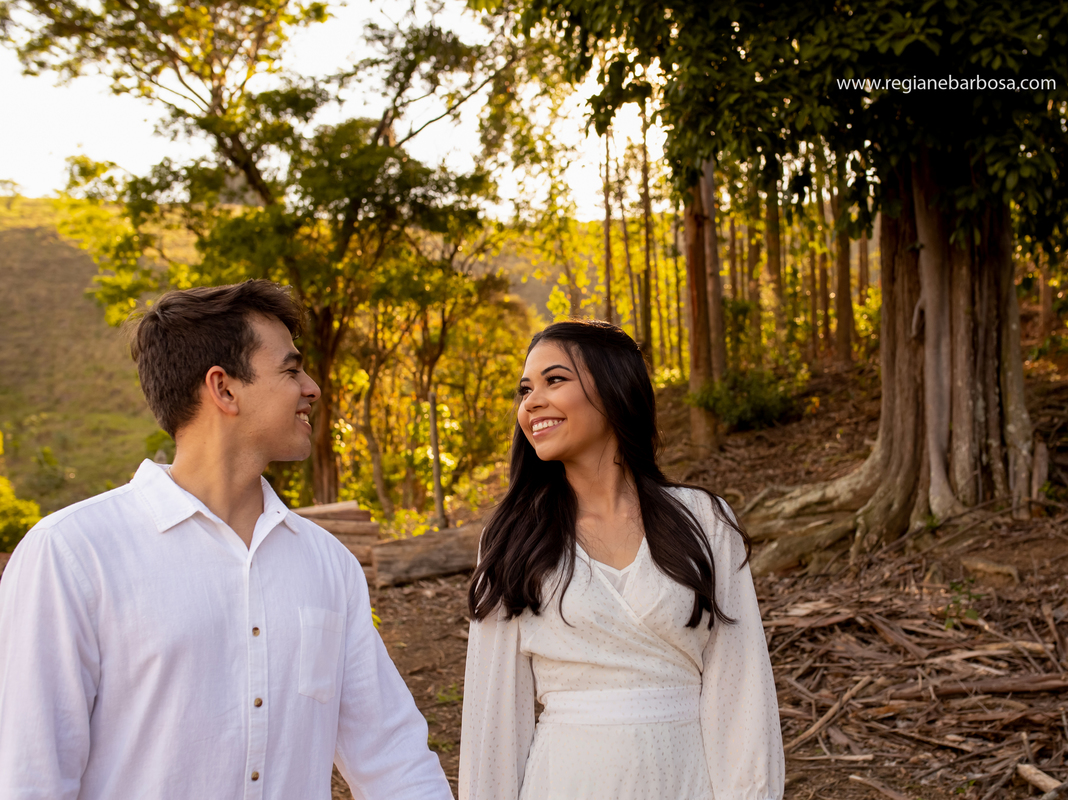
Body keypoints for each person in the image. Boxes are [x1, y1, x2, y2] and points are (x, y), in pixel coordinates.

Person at [0, 280, 452, 800]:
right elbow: (31, 776)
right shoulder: (72, 553)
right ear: (224, 388)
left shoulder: (329, 564)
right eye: (290, 369)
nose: (312, 388)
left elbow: (391, 755)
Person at [459, 320, 784, 800]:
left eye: (555, 380)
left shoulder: (703, 521)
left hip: (687, 778)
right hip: (566, 780)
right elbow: (494, 715)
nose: (531, 402)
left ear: (613, 389)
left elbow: (741, 689)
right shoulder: (514, 538)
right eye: (525, 389)